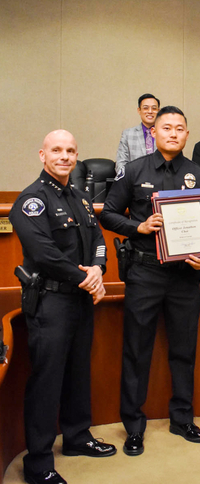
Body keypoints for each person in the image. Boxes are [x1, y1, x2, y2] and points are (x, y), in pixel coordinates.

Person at [100, 106, 200, 456]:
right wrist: (139, 227)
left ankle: (182, 418)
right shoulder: (134, 170)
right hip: (144, 271)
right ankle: (134, 427)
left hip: (183, 277)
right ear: (155, 132)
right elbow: (109, 215)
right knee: (137, 350)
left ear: (187, 134)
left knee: (184, 350)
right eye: (167, 127)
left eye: (180, 128)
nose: (174, 133)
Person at [9, 130, 116, 484]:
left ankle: (76, 436)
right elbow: (44, 254)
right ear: (42, 155)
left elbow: (99, 240)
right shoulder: (31, 200)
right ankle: (38, 461)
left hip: (80, 300)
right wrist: (86, 278)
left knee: (77, 372)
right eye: (57, 150)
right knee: (47, 380)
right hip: (51, 301)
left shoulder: (81, 198)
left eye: (70, 151)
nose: (65, 156)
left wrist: (98, 269)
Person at [116, 93, 160, 173]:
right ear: (139, 110)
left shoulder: (165, 134)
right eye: (146, 108)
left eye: (154, 108)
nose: (150, 111)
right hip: (134, 182)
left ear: (158, 111)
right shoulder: (128, 134)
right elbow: (121, 164)